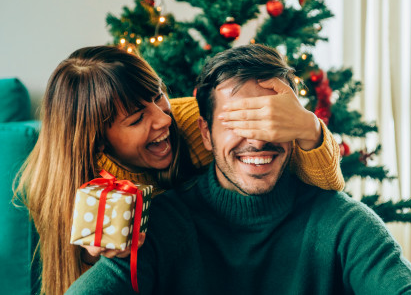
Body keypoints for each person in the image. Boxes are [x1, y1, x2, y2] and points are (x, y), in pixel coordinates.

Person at [65, 44, 411, 295]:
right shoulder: (157, 227)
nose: (256, 140)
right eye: (237, 122)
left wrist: (310, 128)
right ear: (206, 134)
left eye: (270, 121)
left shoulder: (341, 223)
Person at [14, 45, 345, 295]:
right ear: (98, 143)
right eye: (136, 119)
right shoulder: (77, 192)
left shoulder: (197, 124)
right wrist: (94, 259)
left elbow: (325, 187)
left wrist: (308, 127)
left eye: (158, 96)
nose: (162, 119)